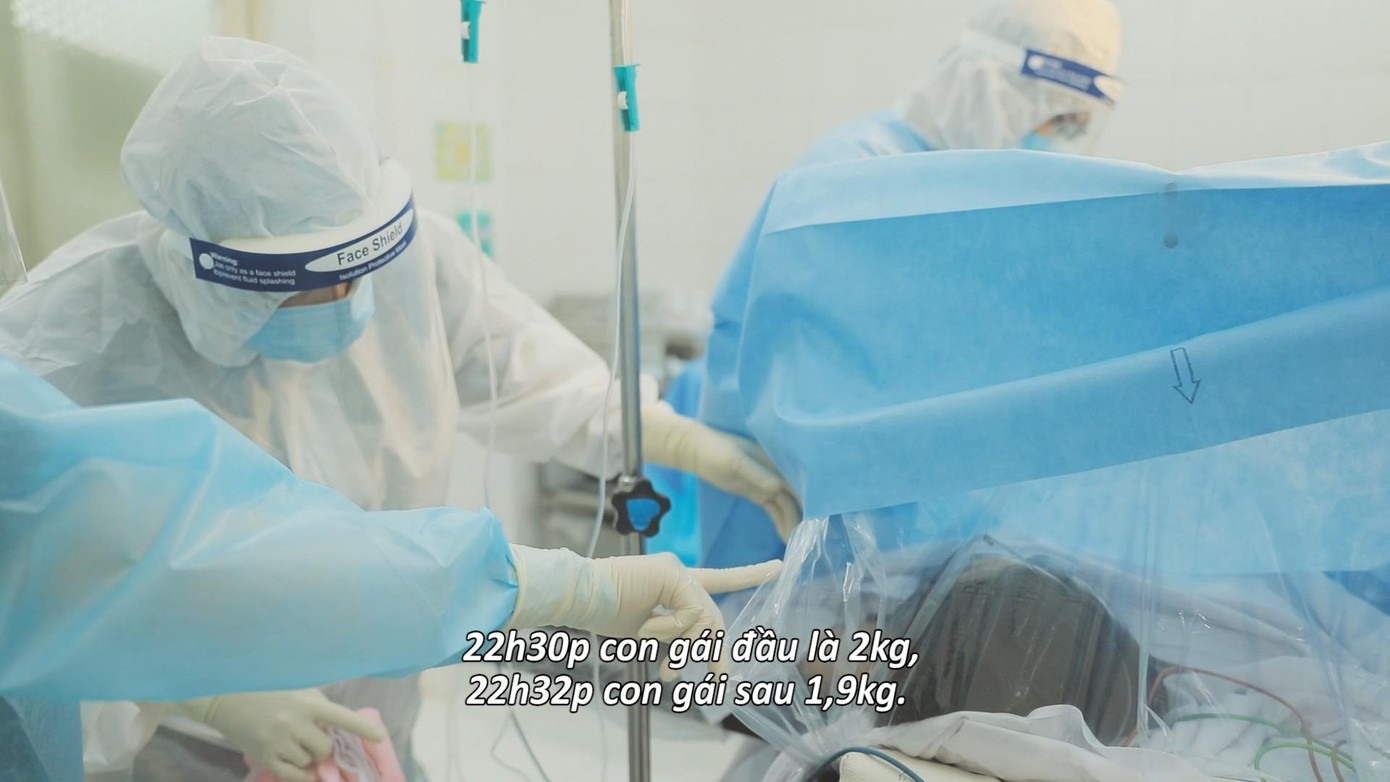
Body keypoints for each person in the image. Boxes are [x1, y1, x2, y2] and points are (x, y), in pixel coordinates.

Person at [0, 36, 794, 781]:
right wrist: (203, 694)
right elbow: (49, 596)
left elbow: (530, 371)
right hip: (185, 752)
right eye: (314, 278)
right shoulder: (69, 341)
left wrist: (675, 439)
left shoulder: (408, 259)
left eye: (360, 266)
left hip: (382, 718)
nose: (350, 294)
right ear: (211, 259)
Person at [695, 0, 1123, 573]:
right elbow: (814, 388)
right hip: (796, 513)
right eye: (1056, 118)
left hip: (918, 523)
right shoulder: (853, 175)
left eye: (1077, 125)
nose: (1062, 140)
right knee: (771, 622)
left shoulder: (978, 193)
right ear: (986, 87)